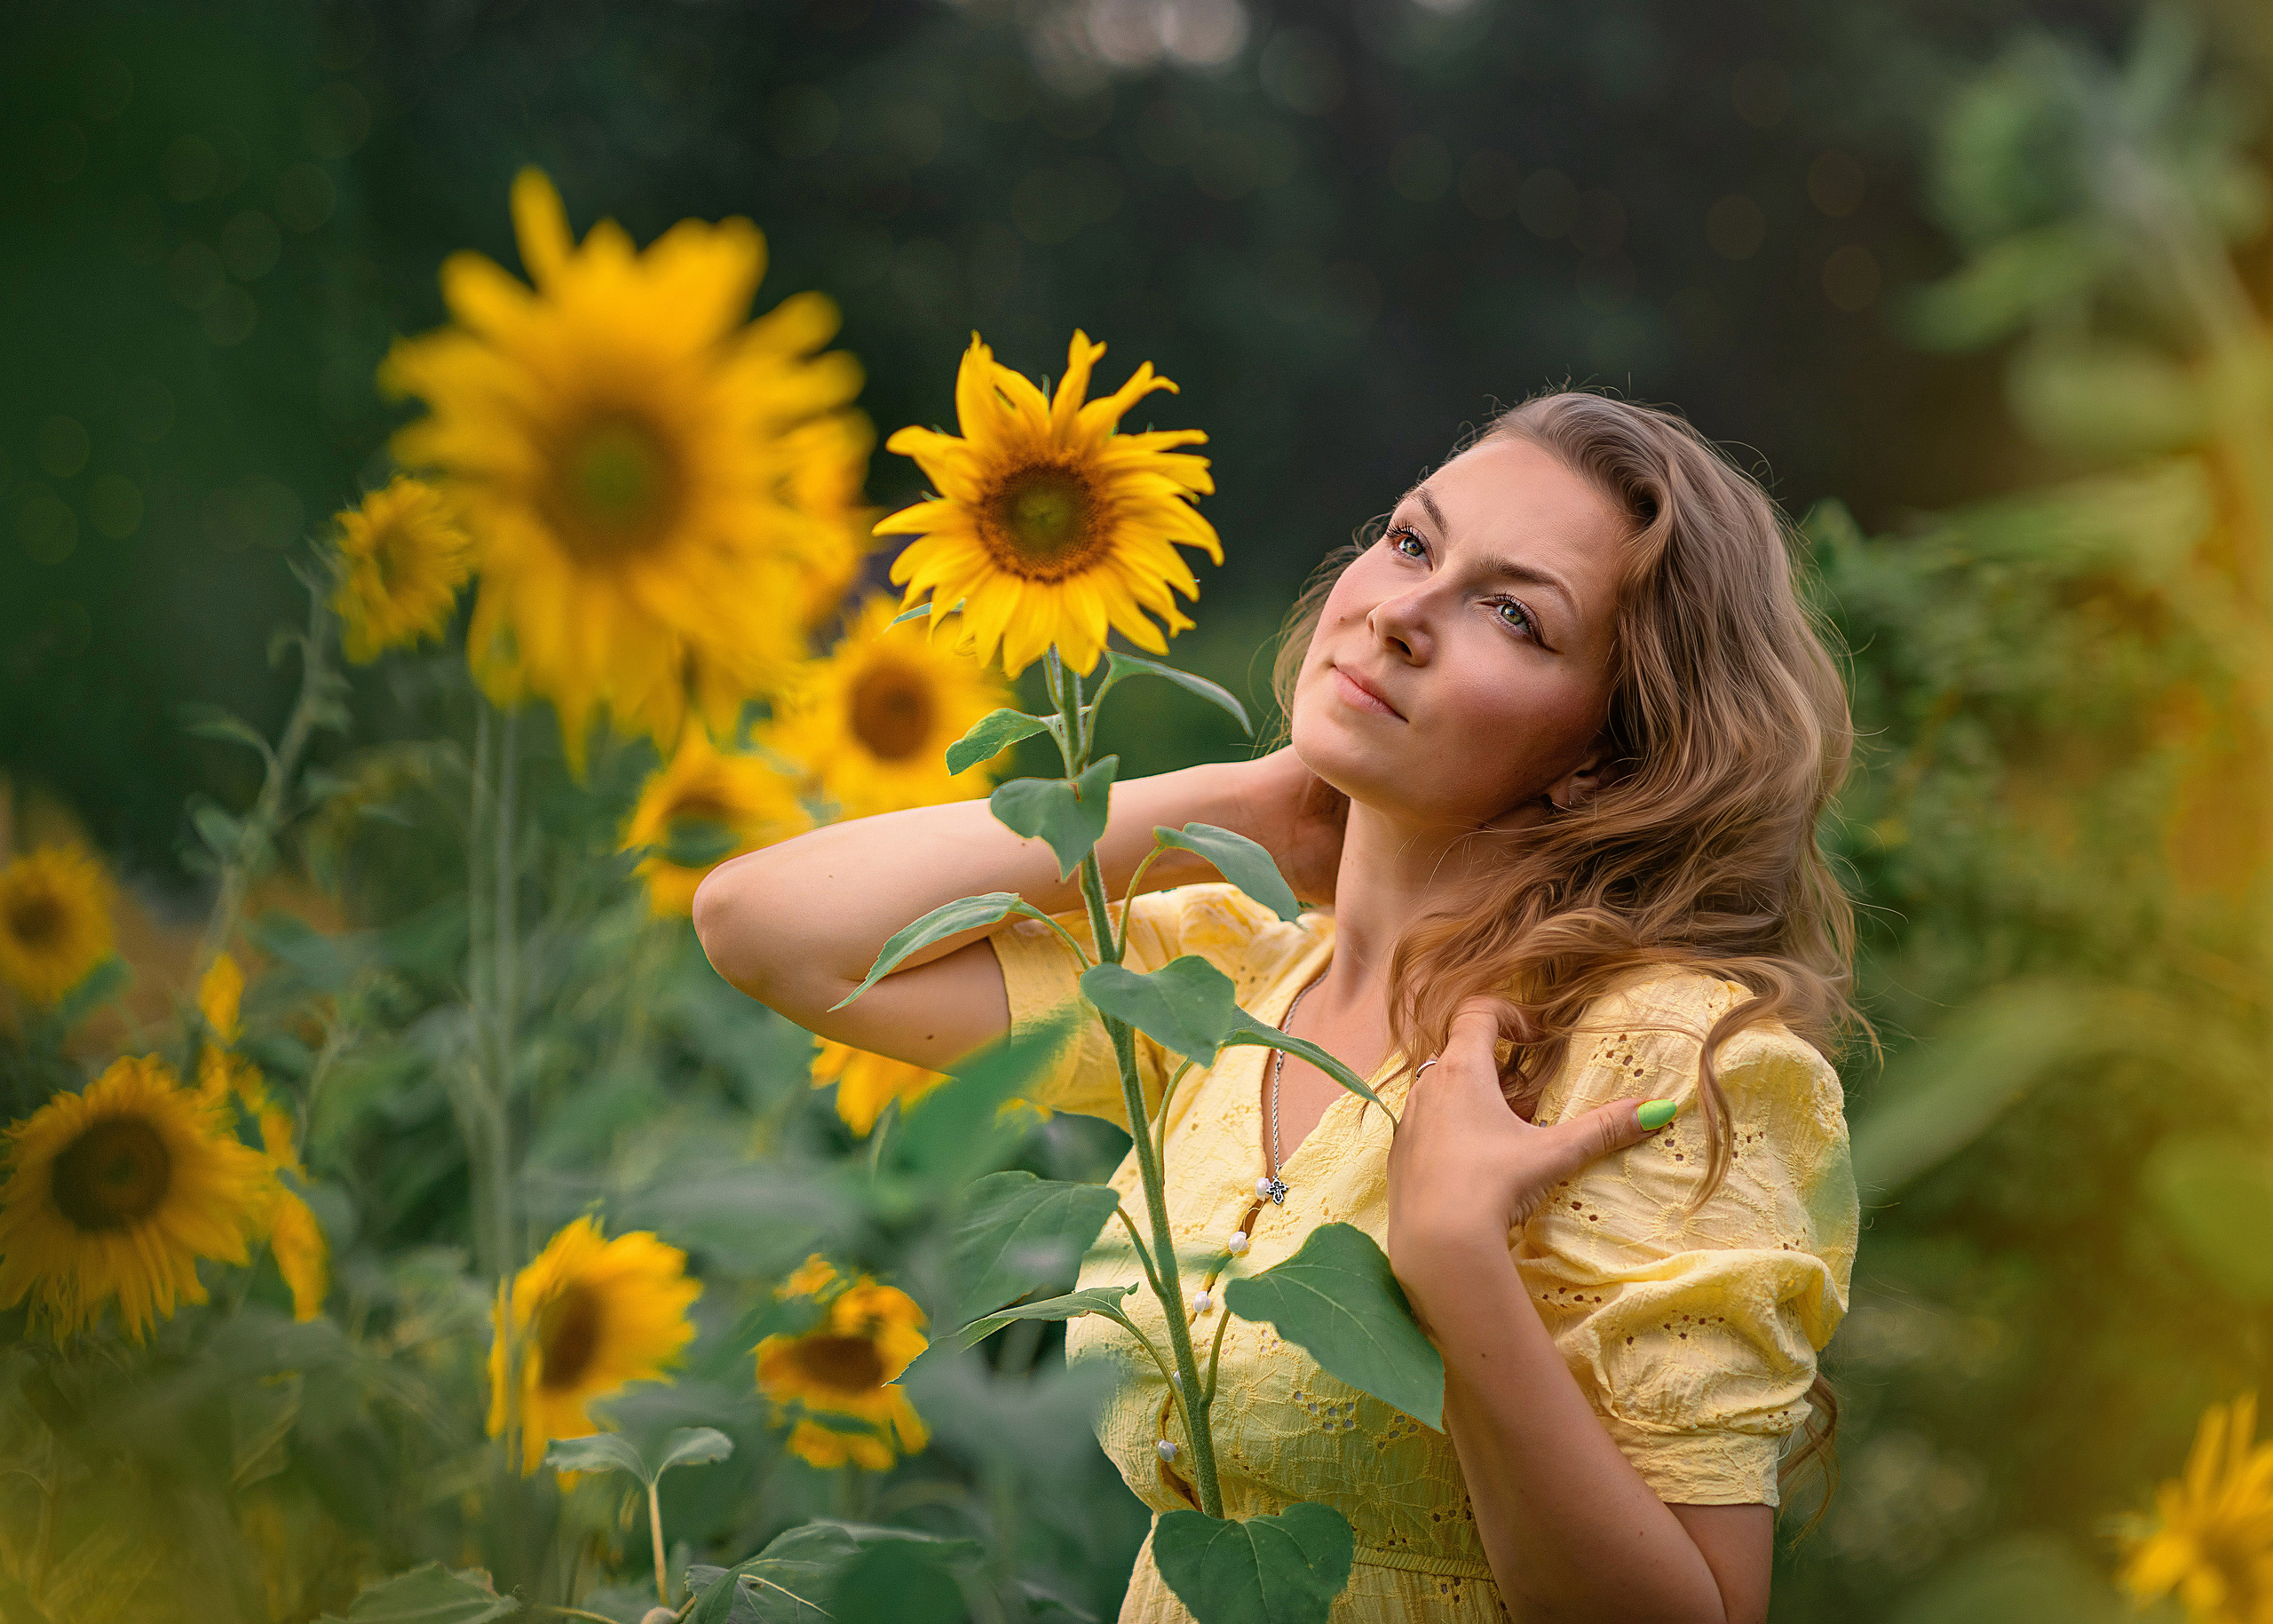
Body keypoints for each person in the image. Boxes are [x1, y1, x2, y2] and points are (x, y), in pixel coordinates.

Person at [693, 390, 1860, 1624]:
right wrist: (1236, 807)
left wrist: (1459, 1267)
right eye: (1413, 542)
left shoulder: (1657, 1057)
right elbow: (768, 928)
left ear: (1604, 756)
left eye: (1513, 613)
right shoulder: (1236, 980)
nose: (1402, 613)